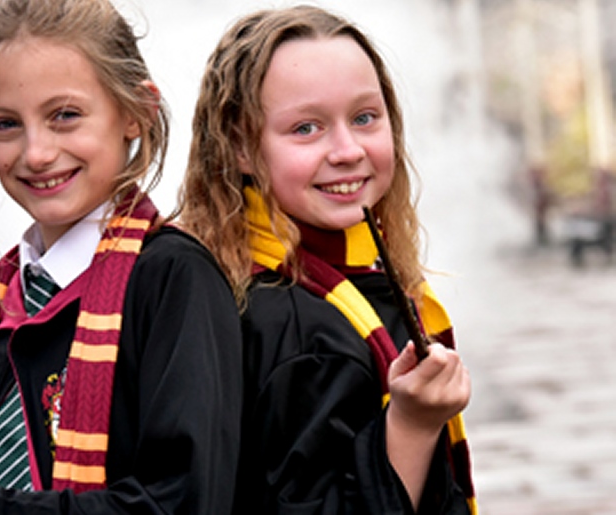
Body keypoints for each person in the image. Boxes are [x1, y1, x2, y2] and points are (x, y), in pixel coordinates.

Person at [0, 0, 243, 513]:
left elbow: (186, 502)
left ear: (135, 113)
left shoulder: (174, 277)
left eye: (64, 115)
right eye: (5, 125)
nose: (36, 153)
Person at [176, 5, 476, 514]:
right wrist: (413, 424)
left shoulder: (316, 277)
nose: (347, 149)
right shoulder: (294, 328)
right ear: (239, 146)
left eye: (364, 118)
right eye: (306, 128)